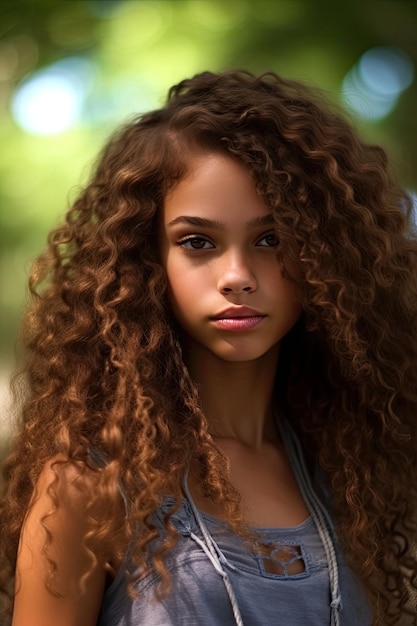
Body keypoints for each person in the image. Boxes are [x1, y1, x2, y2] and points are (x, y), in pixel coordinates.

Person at [0, 69, 416, 626]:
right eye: (198, 242)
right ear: (149, 262)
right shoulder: (88, 486)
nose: (238, 275)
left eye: (272, 240)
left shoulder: (352, 475)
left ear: (325, 255)